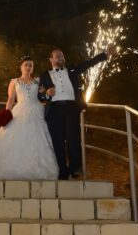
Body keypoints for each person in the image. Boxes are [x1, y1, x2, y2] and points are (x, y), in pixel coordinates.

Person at [0, 56, 59, 180]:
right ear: (21, 67)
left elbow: (43, 95)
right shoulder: (14, 82)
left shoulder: (37, 80)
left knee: (38, 139)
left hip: (36, 111)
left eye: (31, 65)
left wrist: (45, 91)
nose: (28, 67)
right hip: (20, 110)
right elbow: (11, 99)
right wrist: (7, 113)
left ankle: (37, 168)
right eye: (26, 64)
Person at [39, 45, 117, 180]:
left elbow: (89, 63)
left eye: (62, 56)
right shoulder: (44, 75)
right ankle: (62, 170)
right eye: (57, 56)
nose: (61, 58)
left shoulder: (72, 69)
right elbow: (39, 96)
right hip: (54, 110)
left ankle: (75, 167)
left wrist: (105, 54)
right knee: (57, 141)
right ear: (51, 59)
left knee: (73, 137)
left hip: (71, 108)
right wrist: (46, 93)